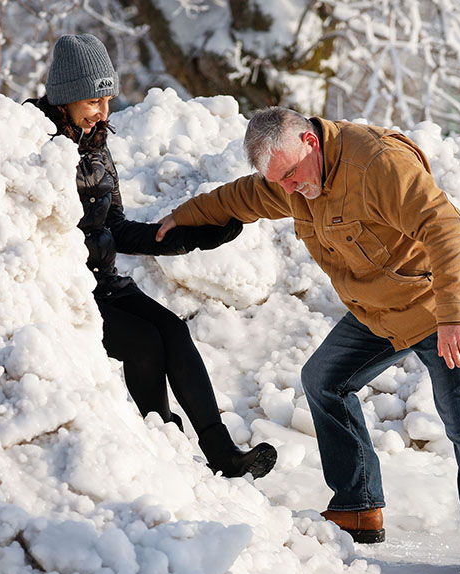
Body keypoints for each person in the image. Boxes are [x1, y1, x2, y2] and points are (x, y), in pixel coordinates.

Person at [156, 107, 460, 574]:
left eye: (289, 175)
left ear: (310, 140)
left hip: (442, 303)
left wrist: (454, 314)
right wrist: (183, 217)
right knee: (324, 381)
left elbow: (445, 226)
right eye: (277, 180)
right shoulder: (295, 175)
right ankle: (359, 506)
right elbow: (244, 197)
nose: (286, 188)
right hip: (381, 310)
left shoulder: (376, 164)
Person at [28, 34, 277, 479]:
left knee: (172, 331)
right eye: (92, 100)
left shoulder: (96, 144)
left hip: (103, 282)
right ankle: (162, 447)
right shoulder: (33, 142)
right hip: (62, 293)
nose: (103, 111)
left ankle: (222, 454)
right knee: (143, 342)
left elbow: (116, 226)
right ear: (64, 97)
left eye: (107, 99)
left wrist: (189, 238)